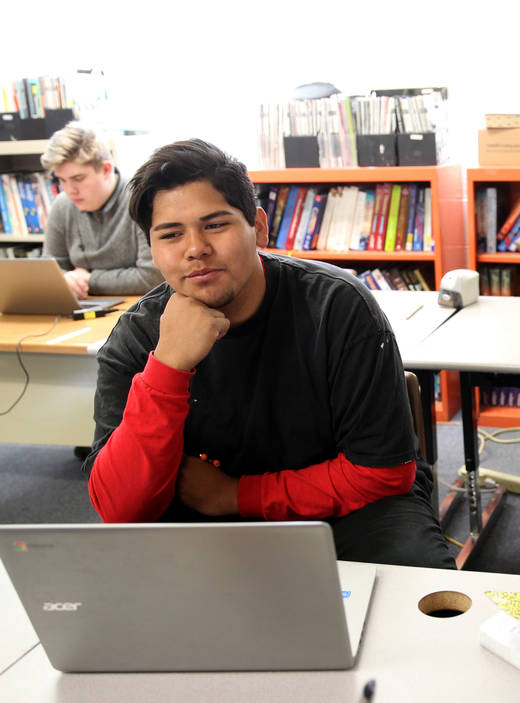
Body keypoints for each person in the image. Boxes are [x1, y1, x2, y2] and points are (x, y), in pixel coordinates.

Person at [83, 138, 454, 569]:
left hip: (348, 510)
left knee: (413, 602)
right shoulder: (136, 338)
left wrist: (232, 496)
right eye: (171, 234)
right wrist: (167, 367)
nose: (195, 248)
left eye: (216, 225)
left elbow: (382, 473)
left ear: (258, 227)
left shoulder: (336, 306)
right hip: (200, 519)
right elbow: (119, 510)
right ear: (152, 247)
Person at [40, 122, 162, 297]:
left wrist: (88, 280)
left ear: (106, 170)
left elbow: (151, 277)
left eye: (78, 178)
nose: (69, 190)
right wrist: (65, 279)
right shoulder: (62, 204)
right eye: (62, 180)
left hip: (136, 307)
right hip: (84, 306)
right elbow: (49, 270)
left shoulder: (141, 200)